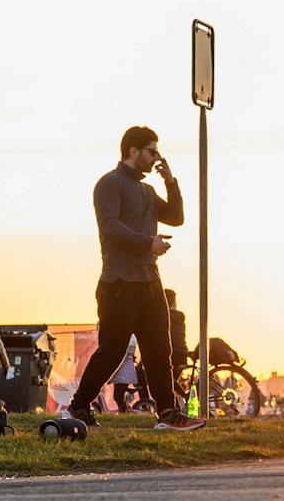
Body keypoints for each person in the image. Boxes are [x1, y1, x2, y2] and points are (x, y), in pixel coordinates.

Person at [61, 126, 204, 430]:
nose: (156, 158)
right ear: (133, 151)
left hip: (150, 282)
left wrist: (170, 181)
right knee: (112, 351)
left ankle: (167, 414)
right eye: (152, 151)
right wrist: (146, 242)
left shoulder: (148, 191)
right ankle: (79, 407)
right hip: (119, 284)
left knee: (159, 350)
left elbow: (177, 218)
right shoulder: (109, 184)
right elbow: (109, 226)